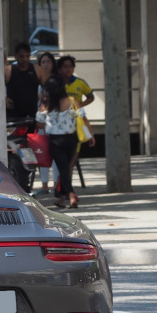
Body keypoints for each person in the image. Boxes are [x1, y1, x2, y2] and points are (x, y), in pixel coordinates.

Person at [36, 76, 81, 208]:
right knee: (65, 168)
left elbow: (39, 123)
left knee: (63, 168)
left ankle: (71, 196)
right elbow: (81, 116)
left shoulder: (46, 104)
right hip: (71, 138)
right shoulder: (71, 101)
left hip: (55, 140)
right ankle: (62, 199)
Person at [57, 55, 95, 206]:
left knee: (70, 163)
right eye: (64, 66)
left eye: (70, 66)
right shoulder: (56, 84)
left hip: (76, 127)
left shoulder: (79, 83)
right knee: (64, 164)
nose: (68, 69)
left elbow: (91, 96)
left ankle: (65, 194)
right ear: (59, 69)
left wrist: (80, 106)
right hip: (59, 128)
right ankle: (67, 194)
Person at [32, 52, 58, 195]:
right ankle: (44, 185)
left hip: (54, 121)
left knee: (55, 154)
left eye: (48, 61)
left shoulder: (57, 81)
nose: (46, 64)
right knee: (42, 152)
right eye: (43, 62)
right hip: (41, 120)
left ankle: (56, 184)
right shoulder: (36, 81)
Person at [4, 42, 40, 120]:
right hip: (13, 115)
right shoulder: (8, 71)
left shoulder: (37, 70)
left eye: (27, 56)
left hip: (32, 115)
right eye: (21, 56)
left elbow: (50, 87)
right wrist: (3, 99)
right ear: (15, 56)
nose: (25, 59)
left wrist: (43, 97)